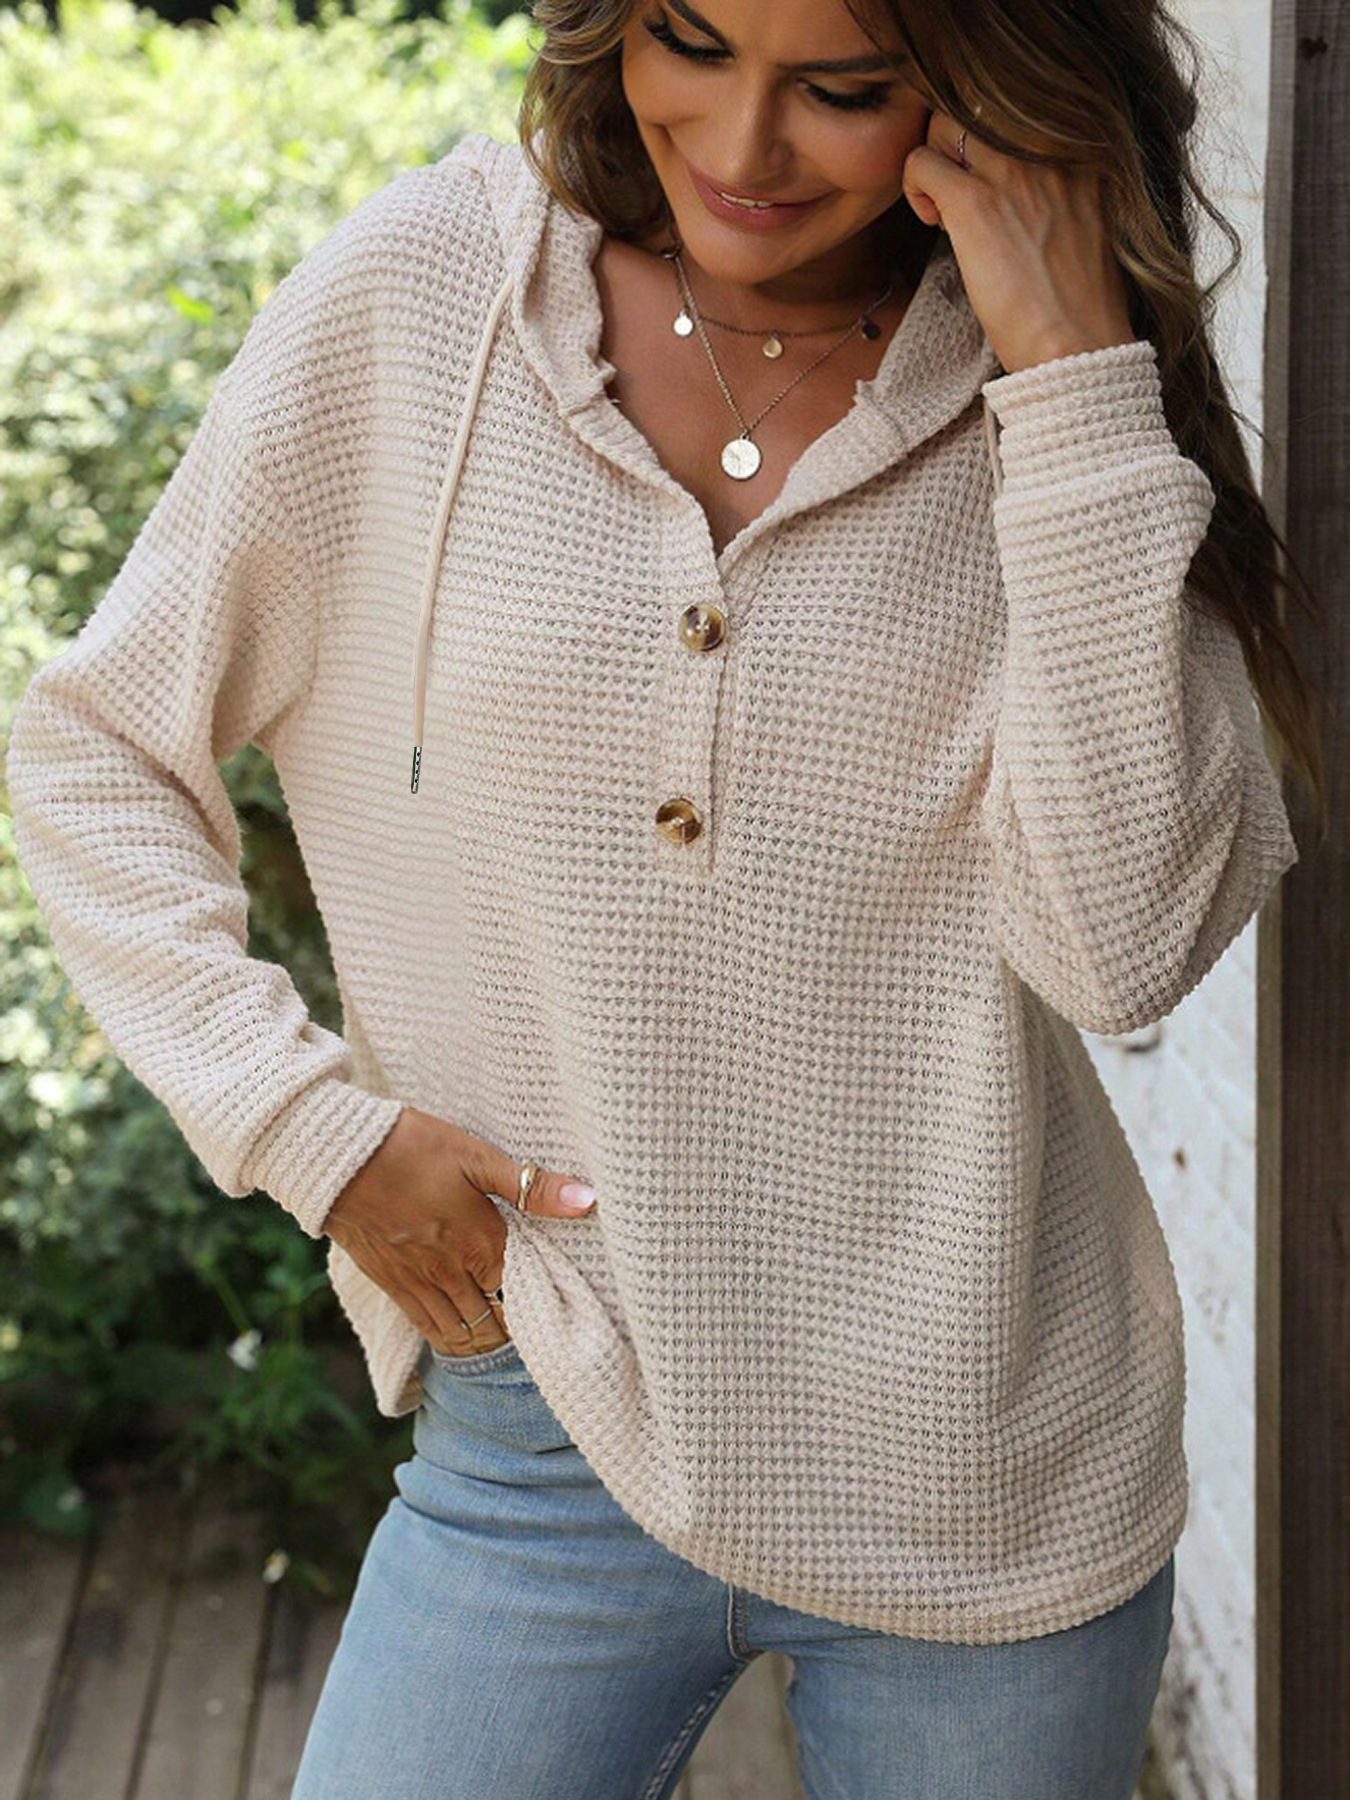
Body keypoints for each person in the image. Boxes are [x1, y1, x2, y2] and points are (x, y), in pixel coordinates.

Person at [7, 0, 1322, 1794]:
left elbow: (1123, 951)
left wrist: (1073, 373)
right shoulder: (430, 298)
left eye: (840, 89)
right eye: (690, 43)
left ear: (984, 90)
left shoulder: (1059, 410)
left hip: (989, 1468)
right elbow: (96, 748)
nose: (742, 145)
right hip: (544, 1429)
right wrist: (305, 1127)